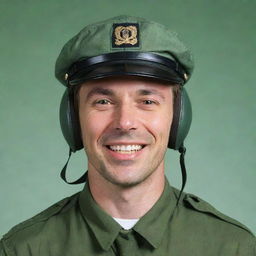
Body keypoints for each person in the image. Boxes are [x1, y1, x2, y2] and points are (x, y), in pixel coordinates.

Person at [0, 15, 255, 256]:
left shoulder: (234, 247)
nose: (125, 123)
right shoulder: (23, 249)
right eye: (102, 101)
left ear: (178, 118)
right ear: (72, 120)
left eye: (147, 101)